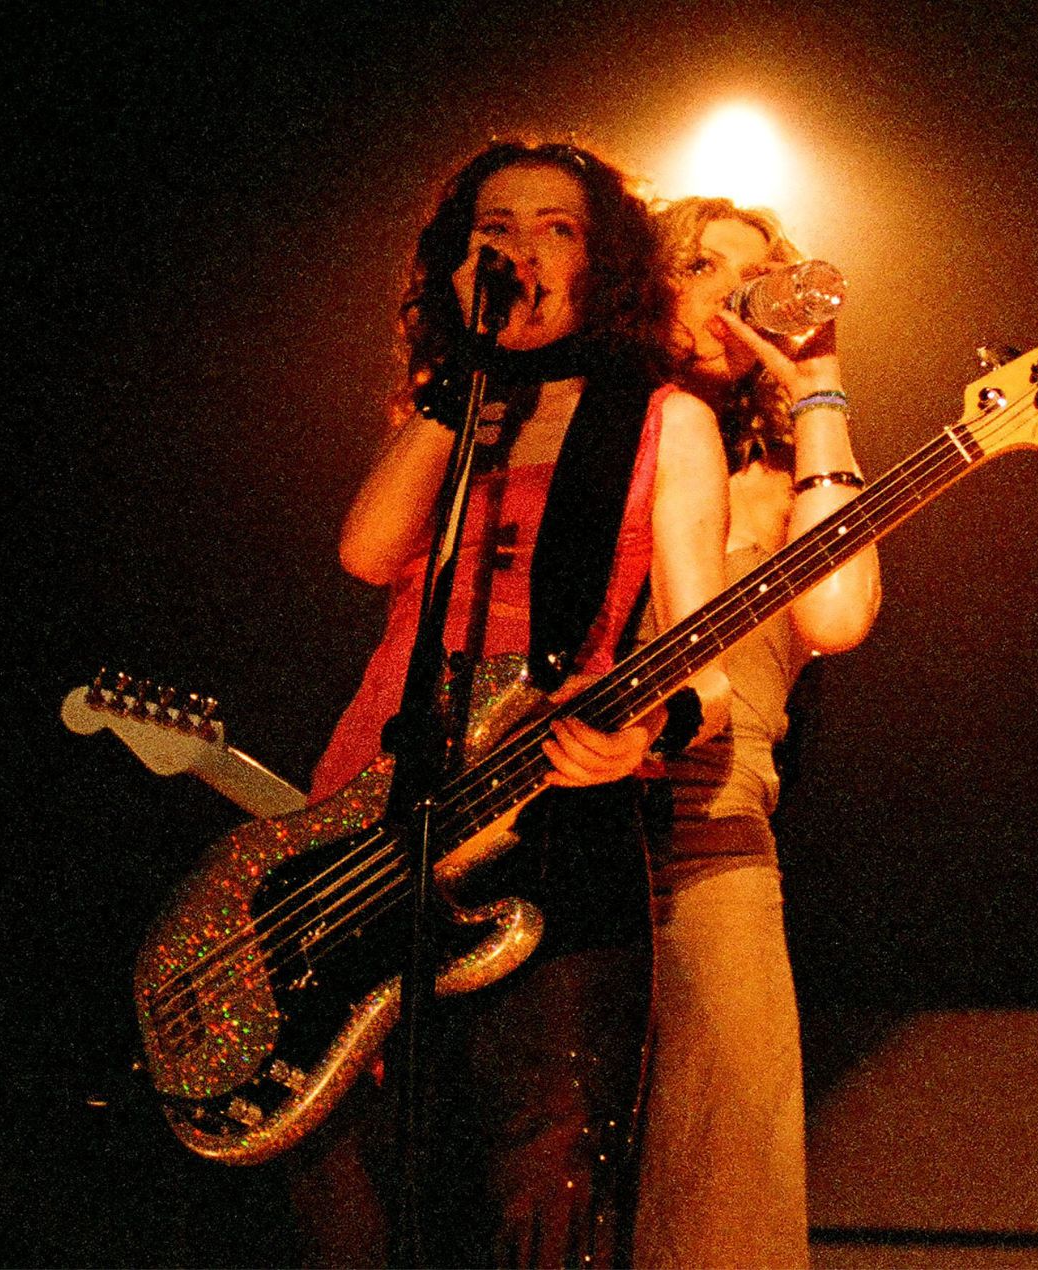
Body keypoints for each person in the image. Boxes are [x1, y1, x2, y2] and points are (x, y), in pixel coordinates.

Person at [290, 142, 735, 1269]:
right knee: (342, 1147)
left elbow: (706, 664)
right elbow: (365, 550)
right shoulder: (445, 407)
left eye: (556, 228)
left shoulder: (662, 418)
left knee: (539, 1171)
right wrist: (464, 373)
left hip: (547, 817)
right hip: (375, 793)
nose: (521, 249)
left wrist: (644, 731)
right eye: (495, 226)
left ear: (604, 261)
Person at [630, 197, 882, 1270]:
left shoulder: (779, 486)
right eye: (701, 266)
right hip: (542, 842)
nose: (728, 296)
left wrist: (816, 382)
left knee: (721, 1198)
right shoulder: (594, 438)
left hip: (710, 841)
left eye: (754, 277)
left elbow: (836, 615)